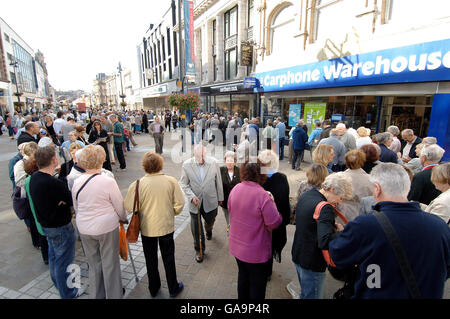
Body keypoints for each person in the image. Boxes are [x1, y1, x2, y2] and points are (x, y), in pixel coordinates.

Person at [329, 163, 450, 299]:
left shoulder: (365, 226)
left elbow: (338, 257)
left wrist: (339, 235)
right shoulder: (440, 227)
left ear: (377, 189)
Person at [124, 152, 185, 298]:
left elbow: (128, 206)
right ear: (160, 165)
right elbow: (180, 203)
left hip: (147, 228)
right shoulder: (170, 181)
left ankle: (153, 288)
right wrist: (173, 213)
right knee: (168, 258)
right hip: (166, 226)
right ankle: (173, 287)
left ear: (144, 166)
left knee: (150, 259)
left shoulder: (138, 184)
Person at [28, 146, 85, 299]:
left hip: (47, 226)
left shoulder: (35, 177)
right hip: (60, 227)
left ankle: (58, 283)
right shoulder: (53, 184)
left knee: (54, 257)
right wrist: (62, 201)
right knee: (64, 261)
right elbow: (70, 199)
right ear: (54, 160)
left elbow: (61, 199)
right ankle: (68, 293)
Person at [72, 145, 126, 299]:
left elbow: (77, 206)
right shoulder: (107, 180)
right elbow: (119, 205)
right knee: (110, 263)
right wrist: (123, 218)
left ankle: (97, 295)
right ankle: (113, 295)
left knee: (94, 264)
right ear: (101, 160)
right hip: (106, 227)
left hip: (84, 227)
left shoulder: (77, 181)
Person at [292, 172, 353, 299]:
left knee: (305, 293)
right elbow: (325, 241)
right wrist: (340, 233)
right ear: (332, 189)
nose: (340, 202)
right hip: (312, 262)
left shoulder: (308, 194)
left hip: (298, 253)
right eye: (340, 197)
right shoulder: (326, 209)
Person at [228, 160, 282, 299]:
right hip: (255, 252)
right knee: (257, 287)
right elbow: (274, 223)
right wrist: (273, 203)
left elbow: (230, 209)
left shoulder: (236, 188)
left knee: (243, 278)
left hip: (237, 248)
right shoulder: (263, 195)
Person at [179, 144, 224, 263]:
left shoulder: (214, 162)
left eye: (203, 156)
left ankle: (209, 229)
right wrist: (191, 196)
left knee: (210, 221)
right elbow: (184, 184)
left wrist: (220, 197)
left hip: (211, 200)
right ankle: (199, 250)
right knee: (196, 229)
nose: (201, 159)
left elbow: (218, 181)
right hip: (195, 203)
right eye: (199, 156)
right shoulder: (187, 165)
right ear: (194, 155)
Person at [258, 150, 291, 281]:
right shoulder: (282, 178)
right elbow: (285, 202)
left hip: (260, 223)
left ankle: (263, 271)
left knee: (261, 247)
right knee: (270, 248)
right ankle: (267, 273)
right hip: (276, 223)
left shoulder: (258, 179)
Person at [337, 150, 374, 221]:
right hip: (360, 214)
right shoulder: (370, 179)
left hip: (341, 213)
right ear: (362, 161)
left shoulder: (338, 177)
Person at [219, 152, 241, 236]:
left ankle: (234, 231)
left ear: (235, 161)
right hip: (225, 202)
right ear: (225, 161)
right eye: (227, 160)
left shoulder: (239, 171)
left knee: (236, 218)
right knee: (228, 218)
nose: (229, 163)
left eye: (231, 160)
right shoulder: (221, 170)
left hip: (237, 202)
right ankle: (230, 231)